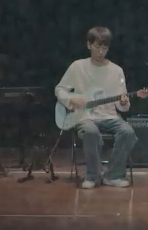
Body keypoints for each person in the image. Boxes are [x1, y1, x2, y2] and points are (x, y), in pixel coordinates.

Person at [55, 26, 138, 190]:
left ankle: (113, 175)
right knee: (90, 131)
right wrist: (71, 100)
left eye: (105, 48)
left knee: (128, 132)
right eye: (97, 47)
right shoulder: (77, 67)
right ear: (89, 45)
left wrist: (123, 103)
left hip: (110, 116)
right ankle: (93, 176)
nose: (101, 52)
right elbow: (60, 89)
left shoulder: (116, 71)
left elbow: (123, 106)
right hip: (85, 116)